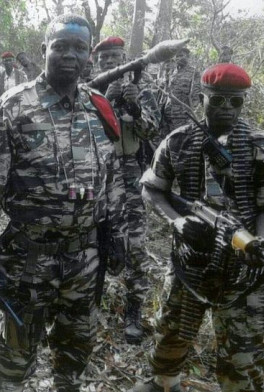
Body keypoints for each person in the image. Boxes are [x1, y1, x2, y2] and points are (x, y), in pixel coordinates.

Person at [0, 13, 126, 392]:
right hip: (29, 255)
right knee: (18, 344)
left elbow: (112, 175)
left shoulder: (99, 107)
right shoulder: (14, 106)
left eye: (80, 49)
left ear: (89, 54)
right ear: (45, 49)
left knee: (76, 341)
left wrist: (116, 231)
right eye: (62, 46)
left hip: (84, 256)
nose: (71, 56)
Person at [125, 63, 264, 392]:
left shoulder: (263, 146)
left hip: (243, 270)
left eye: (236, 102)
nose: (228, 109)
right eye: (219, 101)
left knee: (242, 357)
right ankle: (164, 380)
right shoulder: (179, 141)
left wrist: (260, 242)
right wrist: (177, 221)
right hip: (190, 261)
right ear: (202, 97)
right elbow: (153, 188)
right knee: (173, 326)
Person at [92, 35, 161, 344]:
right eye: (104, 58)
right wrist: (106, 95)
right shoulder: (89, 89)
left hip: (129, 170)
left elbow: (152, 129)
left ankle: (133, 310)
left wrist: (133, 102)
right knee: (93, 237)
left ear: (125, 58)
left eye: (115, 57)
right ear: (97, 63)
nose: (110, 62)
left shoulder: (142, 89)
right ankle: (90, 303)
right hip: (95, 174)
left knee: (134, 242)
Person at [160, 46, 201, 137]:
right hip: (168, 114)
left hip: (183, 116)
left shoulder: (194, 73)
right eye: (177, 56)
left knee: (181, 141)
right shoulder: (172, 72)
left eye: (181, 55)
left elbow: (196, 96)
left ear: (188, 57)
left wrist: (192, 115)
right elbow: (166, 92)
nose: (178, 58)